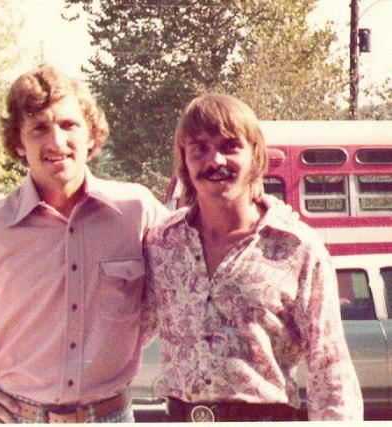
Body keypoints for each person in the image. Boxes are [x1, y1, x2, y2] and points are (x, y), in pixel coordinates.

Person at [0, 66, 168, 423]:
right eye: (39, 129)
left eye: (69, 125)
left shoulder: (136, 210)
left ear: (91, 136)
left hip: (111, 416)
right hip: (21, 417)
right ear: (19, 144)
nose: (56, 142)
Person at [142, 93, 363, 421]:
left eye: (230, 146)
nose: (215, 161)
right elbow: (130, 330)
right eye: (199, 148)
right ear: (184, 160)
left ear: (256, 156)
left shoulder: (297, 248)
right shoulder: (162, 242)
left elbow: (329, 366)